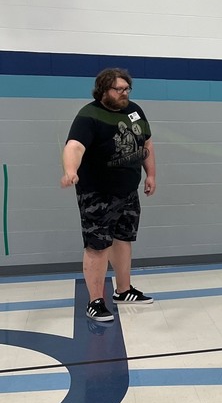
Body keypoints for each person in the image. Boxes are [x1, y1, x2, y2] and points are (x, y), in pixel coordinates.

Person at [61, 68, 156, 322]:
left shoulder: (135, 111)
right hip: (97, 194)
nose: (125, 93)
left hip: (127, 191)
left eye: (127, 89)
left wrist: (151, 175)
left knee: (123, 239)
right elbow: (74, 146)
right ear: (104, 90)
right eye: (119, 89)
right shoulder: (88, 116)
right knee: (98, 245)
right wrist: (70, 171)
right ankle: (95, 301)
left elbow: (146, 144)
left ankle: (123, 291)